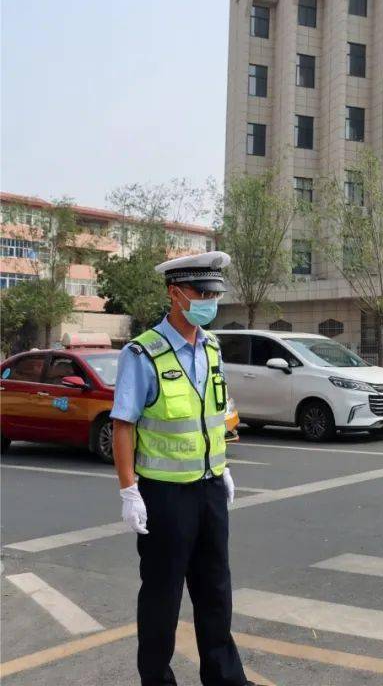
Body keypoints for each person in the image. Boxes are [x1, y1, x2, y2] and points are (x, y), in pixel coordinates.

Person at [111, 251, 260, 686]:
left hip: (211, 489)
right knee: (162, 597)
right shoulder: (144, 354)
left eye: (215, 293)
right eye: (202, 292)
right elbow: (124, 425)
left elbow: (214, 413)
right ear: (176, 294)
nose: (210, 301)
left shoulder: (211, 348)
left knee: (215, 591)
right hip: (165, 495)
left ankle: (226, 679)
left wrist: (224, 468)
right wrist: (129, 490)